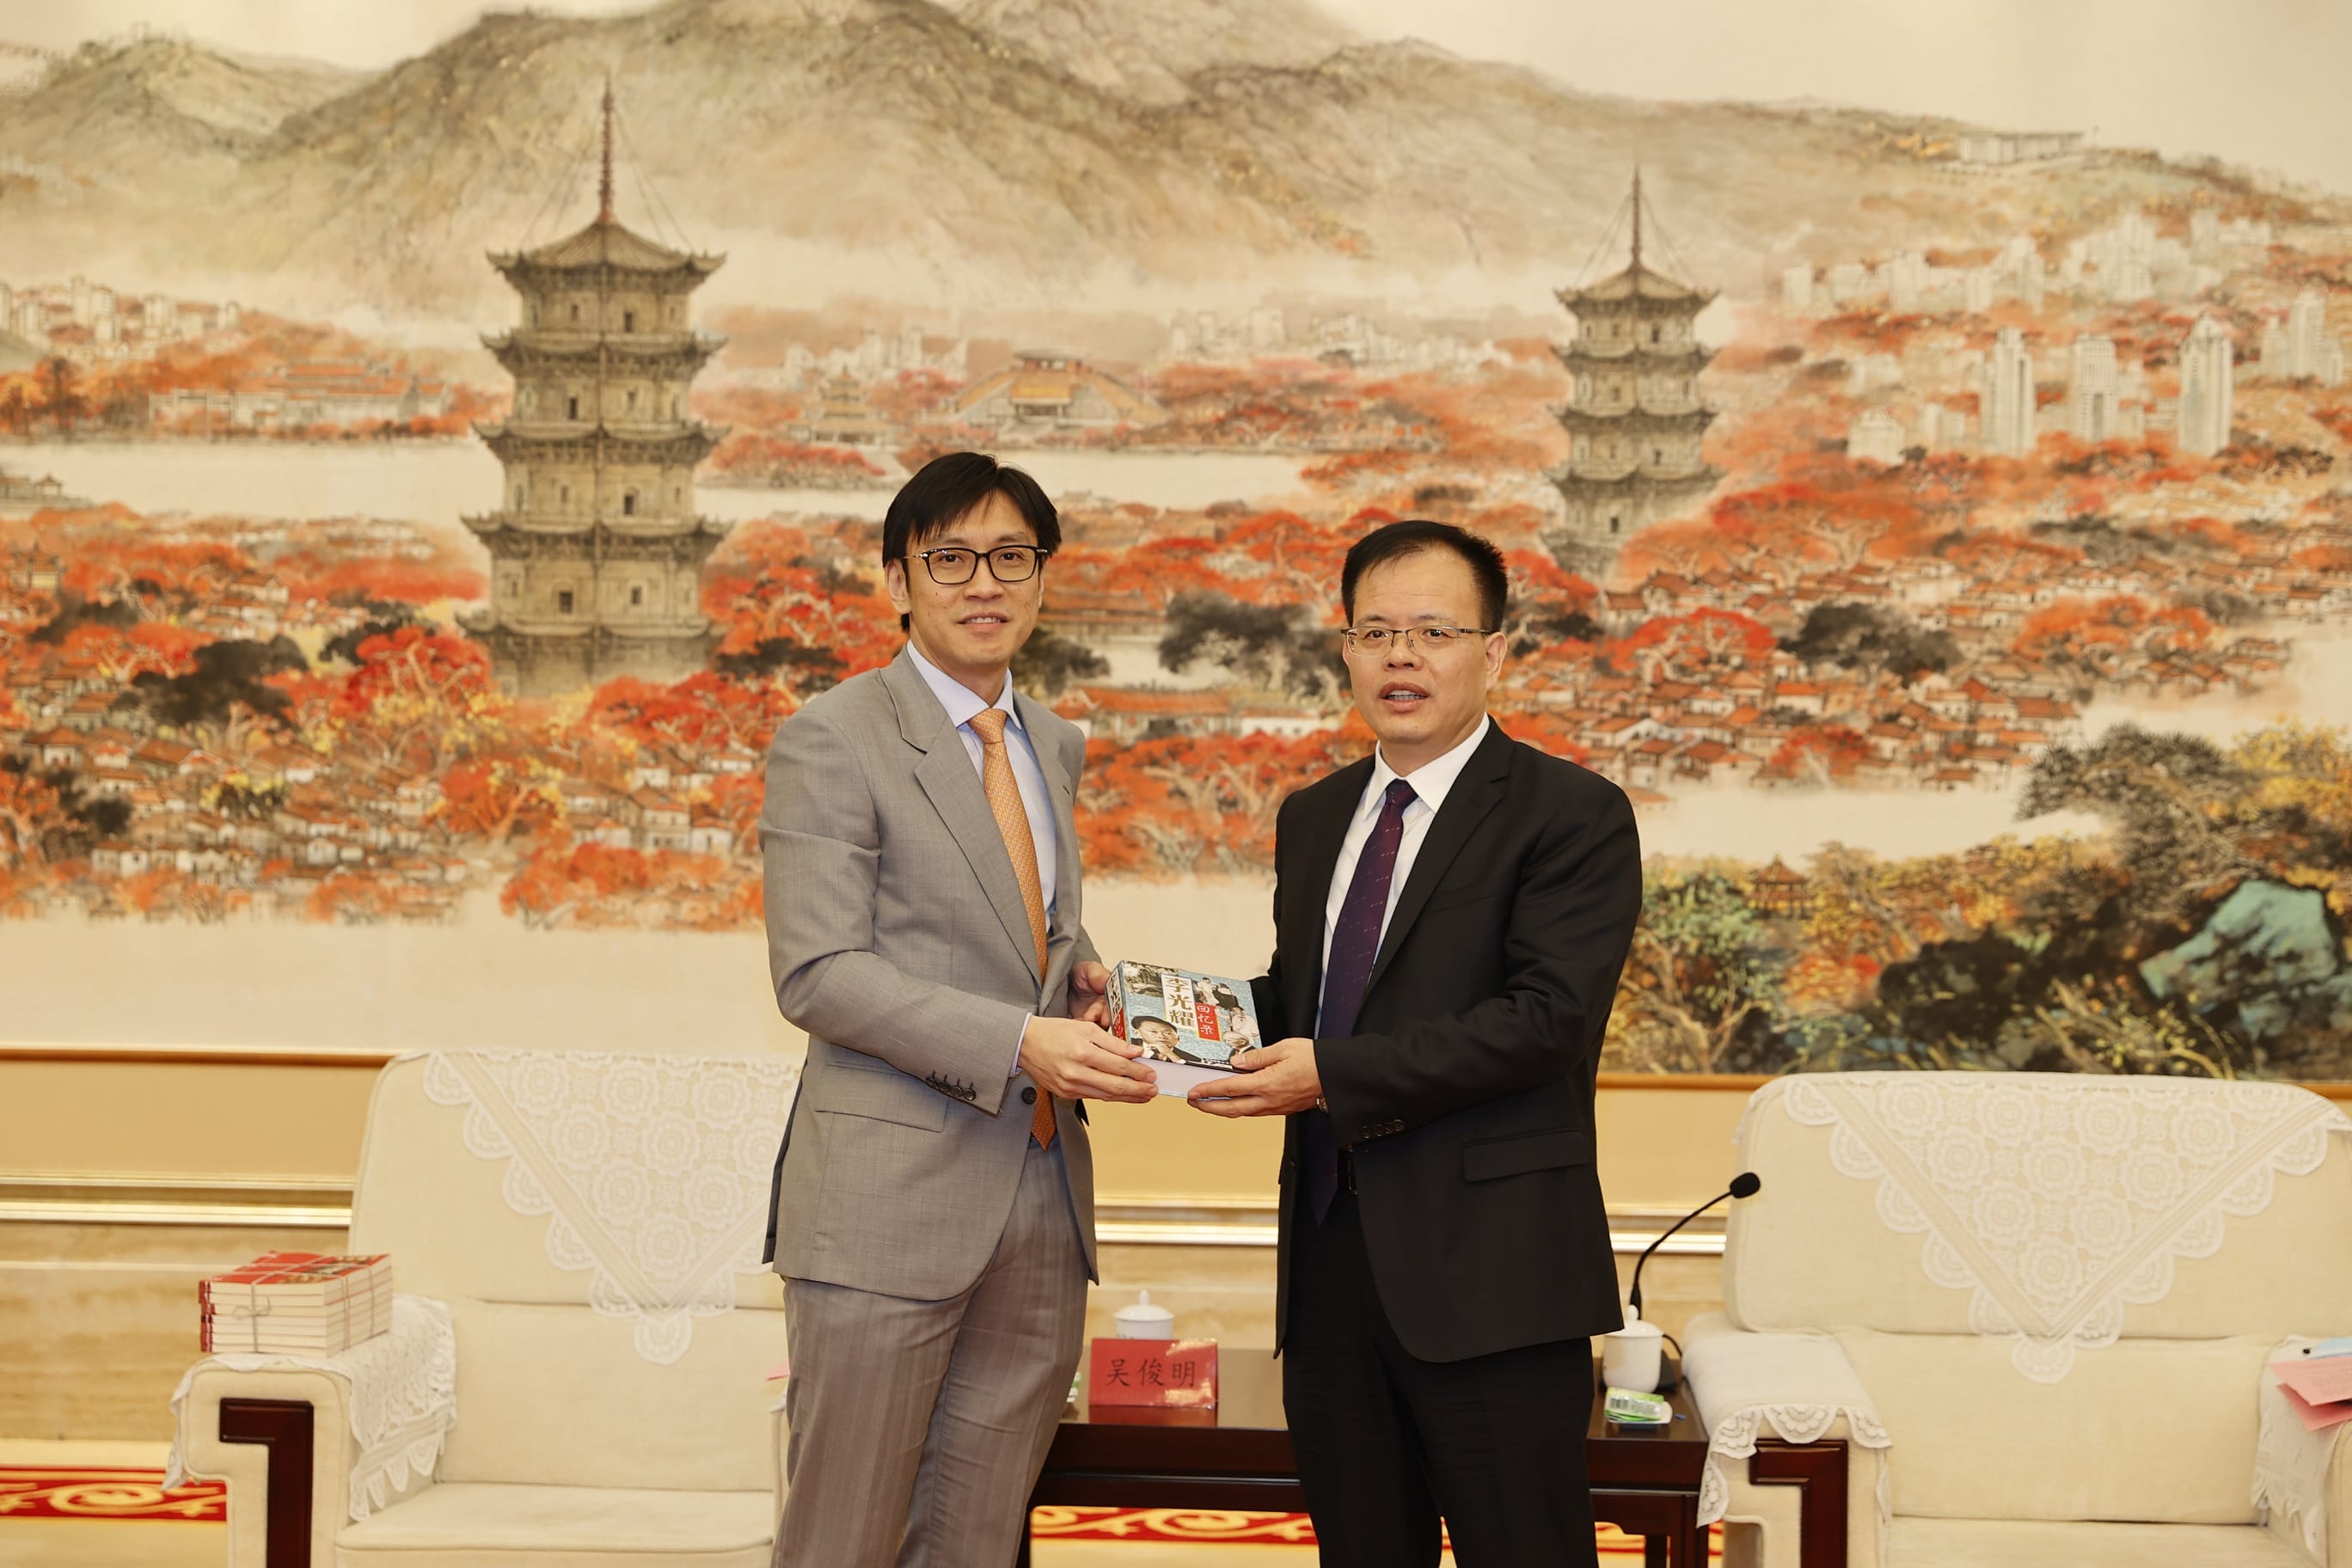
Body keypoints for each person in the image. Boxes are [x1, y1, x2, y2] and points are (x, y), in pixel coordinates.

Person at [1189, 519, 1642, 1567]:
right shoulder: (1314, 817)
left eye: (1435, 630)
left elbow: (1547, 1021)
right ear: (1344, 650)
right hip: (1330, 1263)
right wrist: (1162, 1017)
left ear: (1495, 653)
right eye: (1376, 631)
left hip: (1493, 1278)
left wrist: (1327, 1076)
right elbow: (1308, 1002)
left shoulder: (1569, 814)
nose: (1402, 656)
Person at [759, 451, 1157, 1568]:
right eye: (950, 559)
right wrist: (1021, 1038)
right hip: (889, 1207)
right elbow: (820, 973)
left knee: (978, 1543)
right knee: (844, 1540)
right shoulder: (834, 738)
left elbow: (1017, 932)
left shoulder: (1053, 744)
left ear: (1042, 579)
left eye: (1011, 558)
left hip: (1039, 1200)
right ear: (899, 579)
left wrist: (1082, 977)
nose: (984, 584)